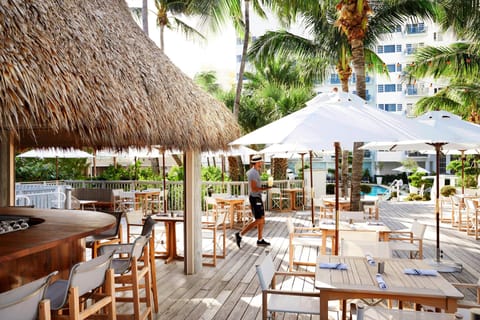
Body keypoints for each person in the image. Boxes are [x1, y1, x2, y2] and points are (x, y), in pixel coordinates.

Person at [235, 155, 270, 248]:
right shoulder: (253, 173)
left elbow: (256, 187)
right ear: (257, 163)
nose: (261, 163)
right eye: (260, 162)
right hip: (254, 198)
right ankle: (240, 234)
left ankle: (260, 239)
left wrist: (264, 187)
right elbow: (254, 188)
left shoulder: (255, 172)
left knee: (262, 219)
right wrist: (265, 188)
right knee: (259, 219)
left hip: (257, 197)